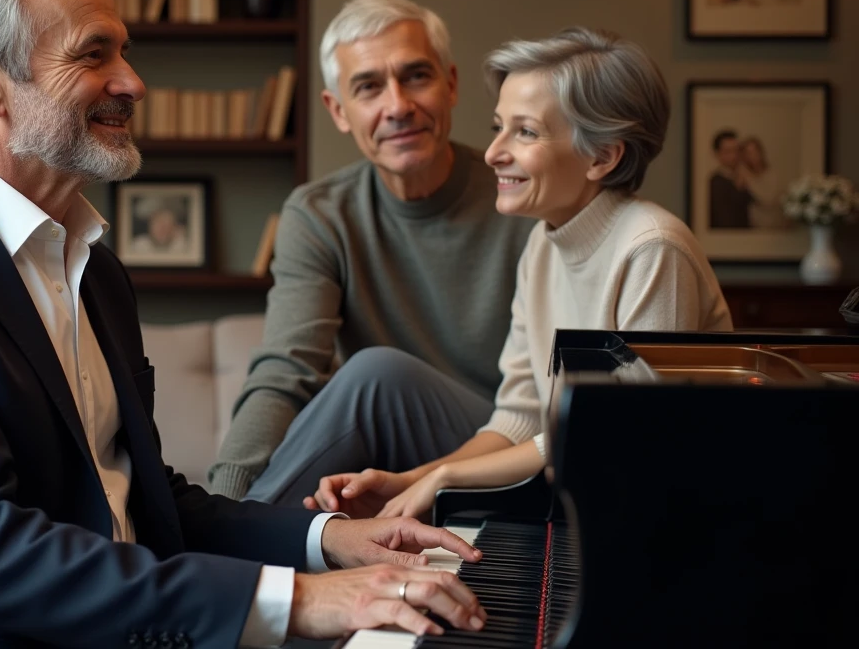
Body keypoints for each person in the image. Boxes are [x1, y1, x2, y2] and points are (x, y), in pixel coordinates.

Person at [0, 0, 489, 649]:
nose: (131, 82)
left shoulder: (95, 271)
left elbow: (152, 505)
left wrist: (332, 538)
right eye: (93, 54)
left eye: (125, 53)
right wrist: (301, 597)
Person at [306, 27, 734, 520]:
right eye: (498, 127)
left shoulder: (652, 248)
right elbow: (520, 417)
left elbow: (623, 441)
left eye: (525, 131)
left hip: (663, 519)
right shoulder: (542, 243)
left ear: (603, 156)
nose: (492, 154)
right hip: (584, 500)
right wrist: (413, 480)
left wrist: (443, 479)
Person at [208, 0, 535, 505]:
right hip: (390, 467)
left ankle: (223, 547)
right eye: (368, 87)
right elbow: (285, 371)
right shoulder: (320, 214)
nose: (398, 106)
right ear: (338, 111)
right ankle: (227, 531)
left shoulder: (523, 196)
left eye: (417, 77)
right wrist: (223, 489)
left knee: (376, 375)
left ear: (451, 85)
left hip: (511, 449)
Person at [709, 129, 754, 229]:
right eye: (728, 151)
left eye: (736, 150)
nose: (733, 156)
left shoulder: (745, 177)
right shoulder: (715, 182)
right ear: (718, 154)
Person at [739, 136, 785, 228]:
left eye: (754, 151)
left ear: (760, 152)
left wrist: (749, 179)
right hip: (754, 226)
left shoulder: (772, 174)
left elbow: (768, 199)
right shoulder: (742, 174)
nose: (751, 156)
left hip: (773, 226)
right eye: (748, 153)